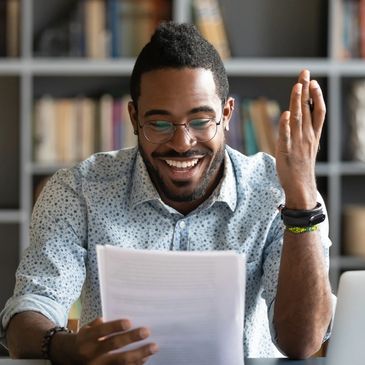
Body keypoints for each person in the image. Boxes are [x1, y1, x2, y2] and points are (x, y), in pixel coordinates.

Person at [0, 22, 333, 363]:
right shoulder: (78, 191)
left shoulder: (280, 192)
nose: (182, 143)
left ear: (227, 114)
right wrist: (68, 347)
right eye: (159, 123)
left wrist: (303, 197)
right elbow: (27, 311)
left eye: (201, 121)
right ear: (134, 117)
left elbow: (302, 342)